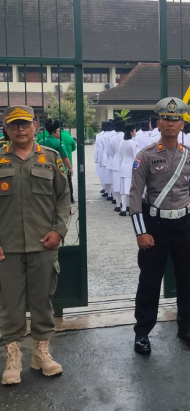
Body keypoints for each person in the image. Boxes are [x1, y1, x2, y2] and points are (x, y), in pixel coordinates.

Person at [129, 97, 190, 355]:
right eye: (166, 119)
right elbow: (135, 197)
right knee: (149, 281)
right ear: (158, 123)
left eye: (176, 119)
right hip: (156, 225)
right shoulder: (146, 156)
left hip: (184, 225)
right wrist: (141, 232)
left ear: (182, 124)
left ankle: (186, 327)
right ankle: (142, 332)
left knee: (186, 279)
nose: (171, 123)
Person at [0, 106, 70, 385]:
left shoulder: (50, 158)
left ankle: (42, 352)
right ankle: (12, 356)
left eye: (24, 124)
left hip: (44, 244)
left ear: (34, 126)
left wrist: (59, 231)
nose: (20, 129)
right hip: (8, 247)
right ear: (6, 128)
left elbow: (63, 197)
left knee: (42, 300)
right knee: (10, 303)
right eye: (14, 125)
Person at [39, 119, 74, 204]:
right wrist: (70, 168)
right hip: (59, 169)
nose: (60, 133)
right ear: (53, 132)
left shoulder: (41, 141)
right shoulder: (58, 142)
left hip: (45, 168)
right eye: (58, 131)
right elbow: (64, 157)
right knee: (64, 187)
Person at [119, 123, 139, 216]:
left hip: (123, 167)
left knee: (124, 190)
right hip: (131, 168)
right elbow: (136, 157)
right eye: (134, 131)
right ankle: (131, 208)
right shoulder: (133, 143)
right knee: (131, 190)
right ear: (131, 132)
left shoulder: (122, 142)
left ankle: (123, 208)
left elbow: (121, 155)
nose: (135, 132)